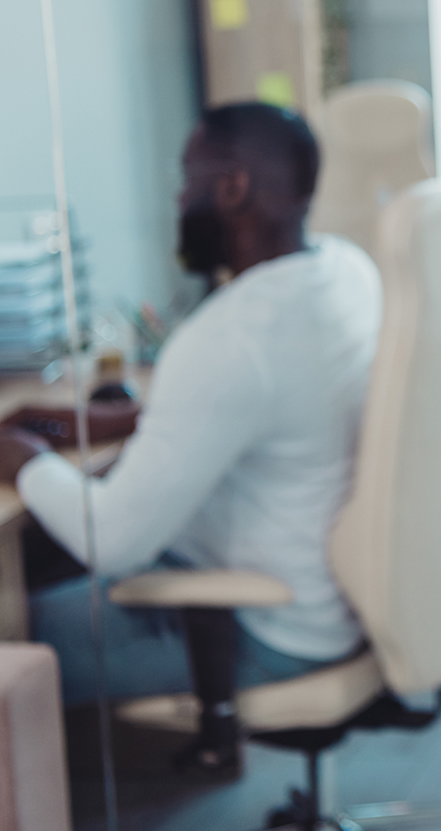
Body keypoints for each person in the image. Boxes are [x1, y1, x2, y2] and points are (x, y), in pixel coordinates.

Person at [0, 103, 381, 718]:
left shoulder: (228, 341)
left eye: (187, 179)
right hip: (328, 597)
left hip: (260, 625)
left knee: (9, 635)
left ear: (232, 187)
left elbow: (114, 542)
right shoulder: (347, 271)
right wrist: (135, 421)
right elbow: (269, 402)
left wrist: (26, 461)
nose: (178, 201)